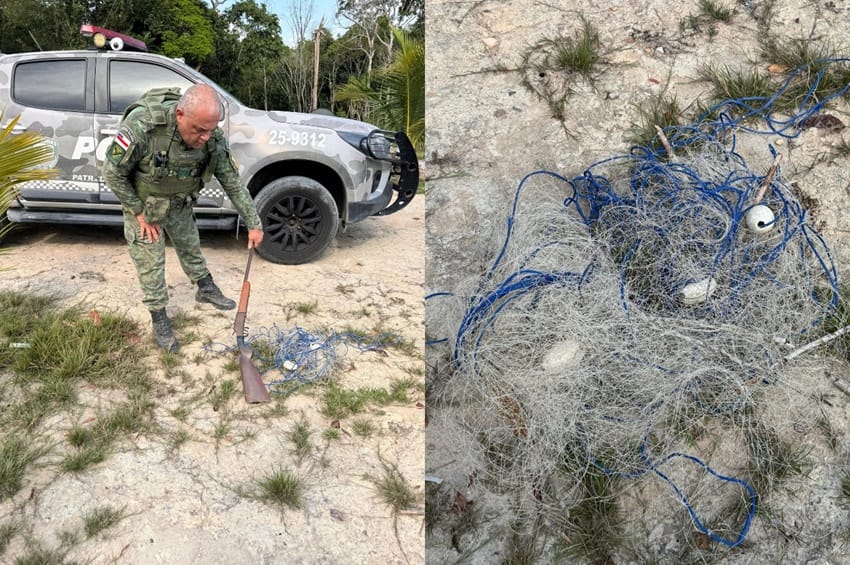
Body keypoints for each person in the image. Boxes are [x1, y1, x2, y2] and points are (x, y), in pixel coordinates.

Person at [102, 83, 264, 352]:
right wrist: (137, 211)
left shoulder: (210, 136)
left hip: (179, 204)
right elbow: (112, 172)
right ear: (179, 114)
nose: (205, 137)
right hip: (145, 208)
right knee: (151, 264)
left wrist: (254, 223)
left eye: (211, 129)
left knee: (191, 246)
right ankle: (159, 316)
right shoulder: (143, 125)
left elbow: (232, 182)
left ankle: (205, 287)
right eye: (199, 130)